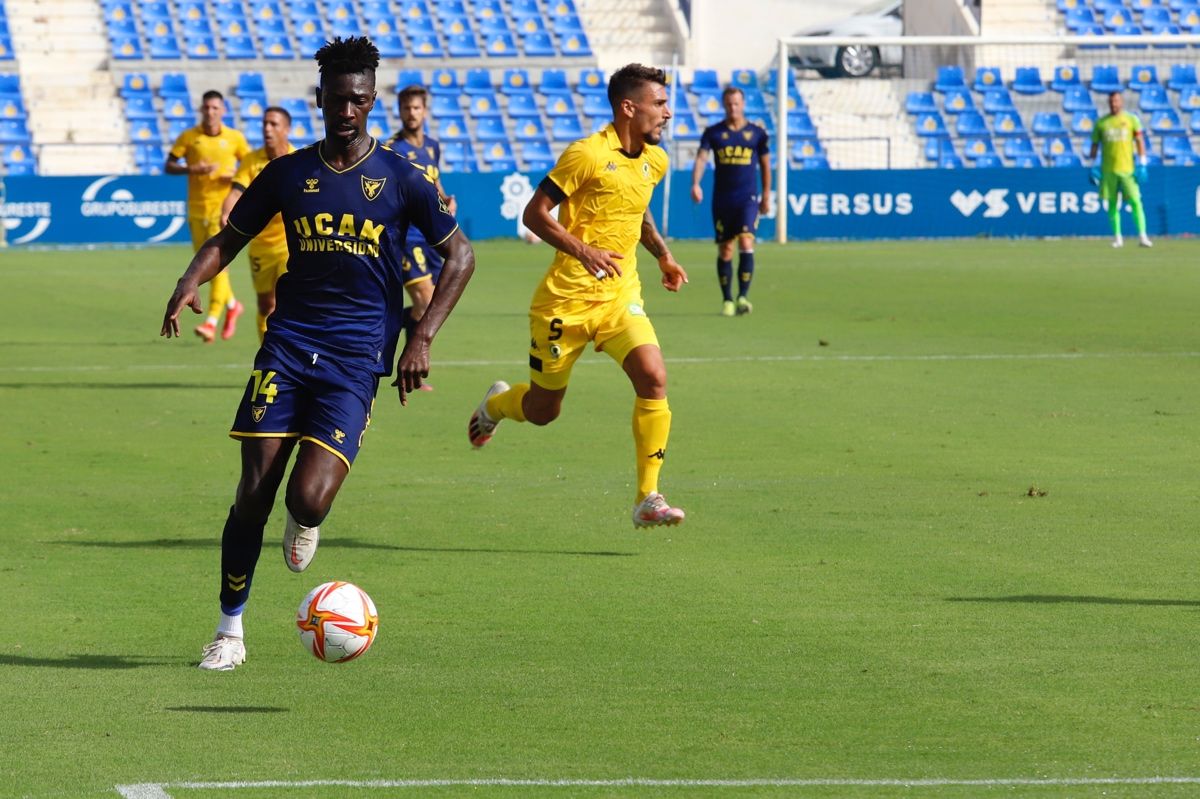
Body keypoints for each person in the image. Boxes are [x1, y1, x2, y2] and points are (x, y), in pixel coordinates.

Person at [160, 36, 475, 671]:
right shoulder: (286, 174)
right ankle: (229, 631)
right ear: (321, 99)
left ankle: (304, 520)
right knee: (254, 487)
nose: (347, 110)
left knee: (307, 499)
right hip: (287, 344)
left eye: (358, 100)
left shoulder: (403, 178)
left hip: (356, 359)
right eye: (336, 99)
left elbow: (461, 256)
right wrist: (189, 279)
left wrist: (422, 337)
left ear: (372, 100)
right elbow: (231, 235)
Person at [466, 63, 689, 530]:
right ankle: (496, 406)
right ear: (630, 107)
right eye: (660, 103)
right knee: (543, 411)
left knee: (653, 376)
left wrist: (663, 256)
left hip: (618, 296)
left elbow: (636, 211)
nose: (668, 112)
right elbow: (534, 213)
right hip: (564, 303)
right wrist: (582, 249)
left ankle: (648, 496)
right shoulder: (586, 153)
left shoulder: (656, 160)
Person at [165, 90, 252, 342]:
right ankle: (233, 305)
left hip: (223, 213)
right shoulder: (190, 138)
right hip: (196, 210)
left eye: (215, 108)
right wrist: (193, 169)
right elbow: (169, 165)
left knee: (218, 267)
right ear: (201, 110)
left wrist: (233, 177)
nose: (210, 112)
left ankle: (212, 321)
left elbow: (248, 167)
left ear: (223, 110)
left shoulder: (235, 138)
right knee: (204, 267)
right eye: (206, 108)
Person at [386, 84, 457, 364]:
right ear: (400, 111)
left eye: (416, 108)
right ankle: (412, 359)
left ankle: (393, 320)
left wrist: (446, 198)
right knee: (426, 301)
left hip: (431, 236)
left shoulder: (432, 146)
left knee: (431, 305)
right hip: (407, 238)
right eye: (406, 108)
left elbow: (434, 181)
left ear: (425, 111)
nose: (411, 113)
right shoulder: (393, 149)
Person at [691, 86, 770, 317]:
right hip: (723, 199)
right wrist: (695, 183)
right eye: (728, 104)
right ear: (724, 105)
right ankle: (727, 299)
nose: (733, 108)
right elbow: (701, 158)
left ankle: (743, 297)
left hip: (748, 199)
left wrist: (766, 194)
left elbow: (765, 165)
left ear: (743, 104)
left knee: (746, 243)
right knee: (726, 249)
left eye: (736, 103)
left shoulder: (757, 134)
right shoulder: (714, 133)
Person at [219, 106, 295, 342]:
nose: (267, 129)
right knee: (265, 304)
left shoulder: (297, 161)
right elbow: (236, 191)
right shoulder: (252, 161)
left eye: (273, 124)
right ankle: (266, 352)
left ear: (286, 129)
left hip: (290, 244)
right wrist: (226, 213)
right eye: (264, 124)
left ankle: (289, 354)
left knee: (288, 302)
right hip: (260, 244)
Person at [1088, 91, 1151, 249]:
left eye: (1116, 101)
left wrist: (1142, 163)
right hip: (1108, 171)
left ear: (1121, 102)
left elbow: (1139, 141)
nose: (1114, 104)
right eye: (1111, 101)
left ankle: (1143, 236)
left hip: (1128, 170)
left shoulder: (1131, 120)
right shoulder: (1101, 123)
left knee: (1136, 202)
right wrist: (1092, 165)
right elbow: (1094, 146)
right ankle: (1118, 238)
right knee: (1112, 204)